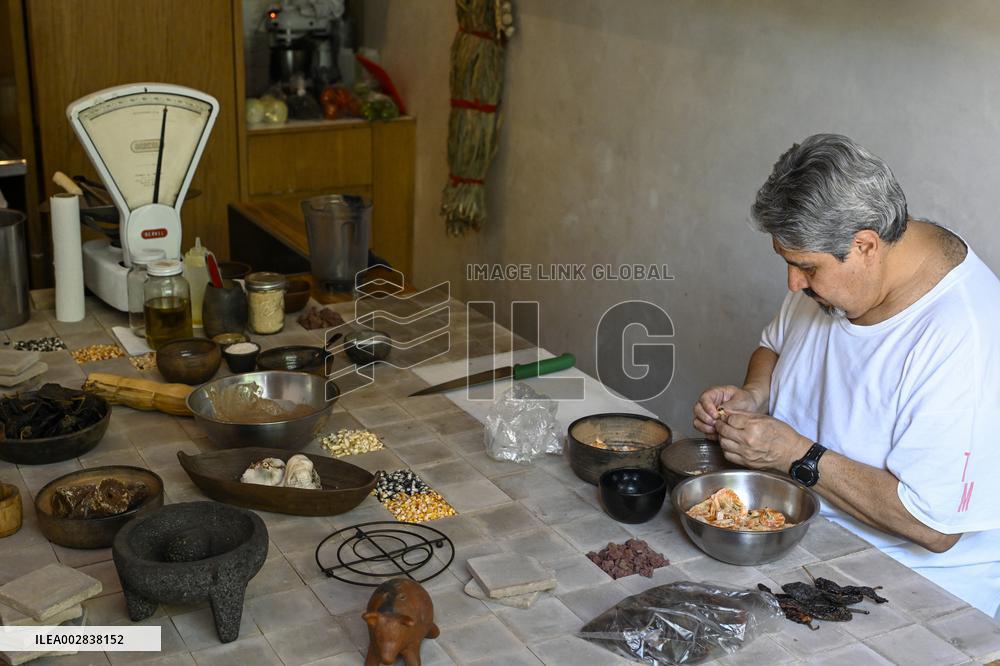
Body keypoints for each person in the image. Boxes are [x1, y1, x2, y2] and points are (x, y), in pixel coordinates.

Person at [693, 133, 1000, 617]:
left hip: (918, 596)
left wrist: (797, 454)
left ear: (865, 245)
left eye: (805, 269)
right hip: (806, 543)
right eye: (789, 264)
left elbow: (935, 528)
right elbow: (774, 346)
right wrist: (755, 394)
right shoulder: (833, 276)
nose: (793, 284)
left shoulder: (962, 333)